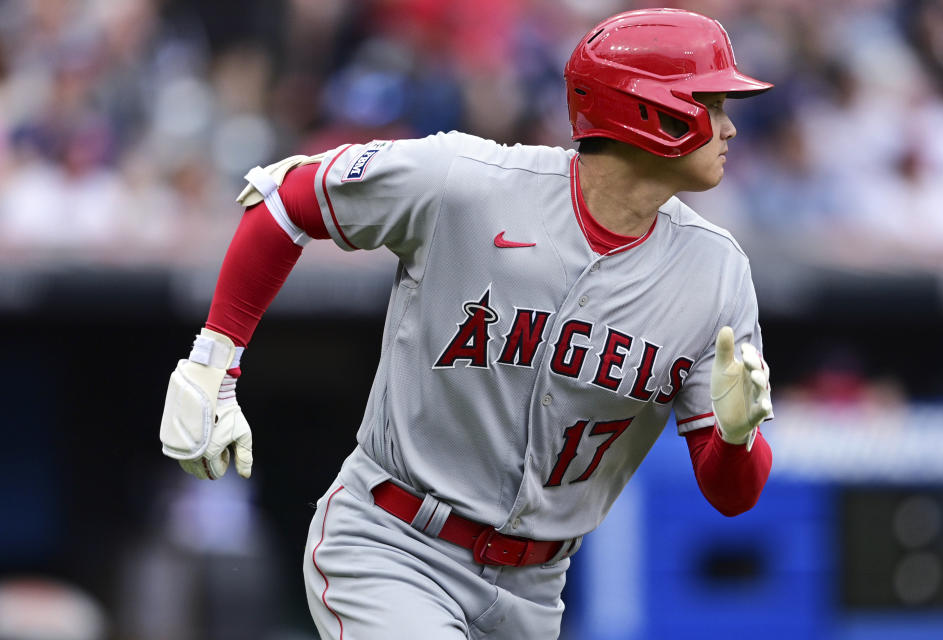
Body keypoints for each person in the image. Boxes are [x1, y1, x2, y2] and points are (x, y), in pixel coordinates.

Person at [159, 8, 775, 639]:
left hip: (536, 592)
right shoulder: (472, 182)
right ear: (652, 111)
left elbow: (733, 495)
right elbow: (286, 202)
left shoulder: (716, 272)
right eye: (712, 103)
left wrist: (735, 438)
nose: (728, 127)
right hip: (394, 545)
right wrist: (213, 364)